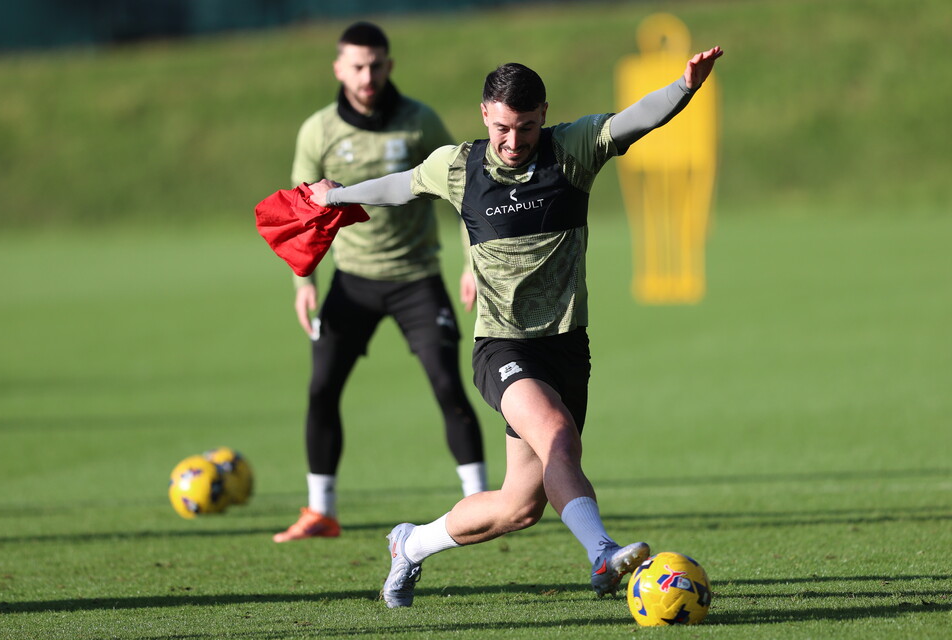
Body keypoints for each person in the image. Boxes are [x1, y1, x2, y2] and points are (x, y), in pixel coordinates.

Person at [307, 45, 724, 604]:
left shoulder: (572, 151)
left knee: (518, 507)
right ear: (485, 114)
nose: (513, 140)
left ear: (544, 114)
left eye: (526, 127)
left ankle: (410, 545)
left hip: (568, 348)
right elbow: (400, 184)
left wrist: (684, 86)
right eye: (503, 127)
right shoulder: (457, 166)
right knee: (557, 437)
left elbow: (636, 118)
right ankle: (602, 553)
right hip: (501, 345)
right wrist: (336, 195)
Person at [274, 22, 487, 543]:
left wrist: (471, 264)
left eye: (376, 65)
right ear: (339, 69)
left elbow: (467, 192)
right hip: (353, 282)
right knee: (322, 389)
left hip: (418, 280)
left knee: (447, 385)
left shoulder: (419, 122)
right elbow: (300, 211)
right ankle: (321, 511)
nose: (367, 76)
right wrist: (304, 281)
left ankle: (481, 503)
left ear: (390, 66)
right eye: (357, 66)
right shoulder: (318, 130)